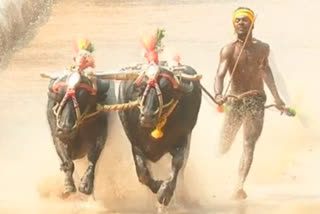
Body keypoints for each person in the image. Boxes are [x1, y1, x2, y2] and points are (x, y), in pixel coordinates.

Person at [213, 7, 286, 200]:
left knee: (249, 143)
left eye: (245, 20)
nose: (240, 23)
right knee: (224, 145)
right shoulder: (228, 50)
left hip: (256, 100)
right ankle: (215, 174)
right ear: (233, 24)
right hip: (235, 100)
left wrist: (277, 98)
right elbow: (219, 75)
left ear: (252, 24)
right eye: (237, 20)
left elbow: (266, 72)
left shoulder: (263, 48)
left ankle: (239, 185)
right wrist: (218, 94)